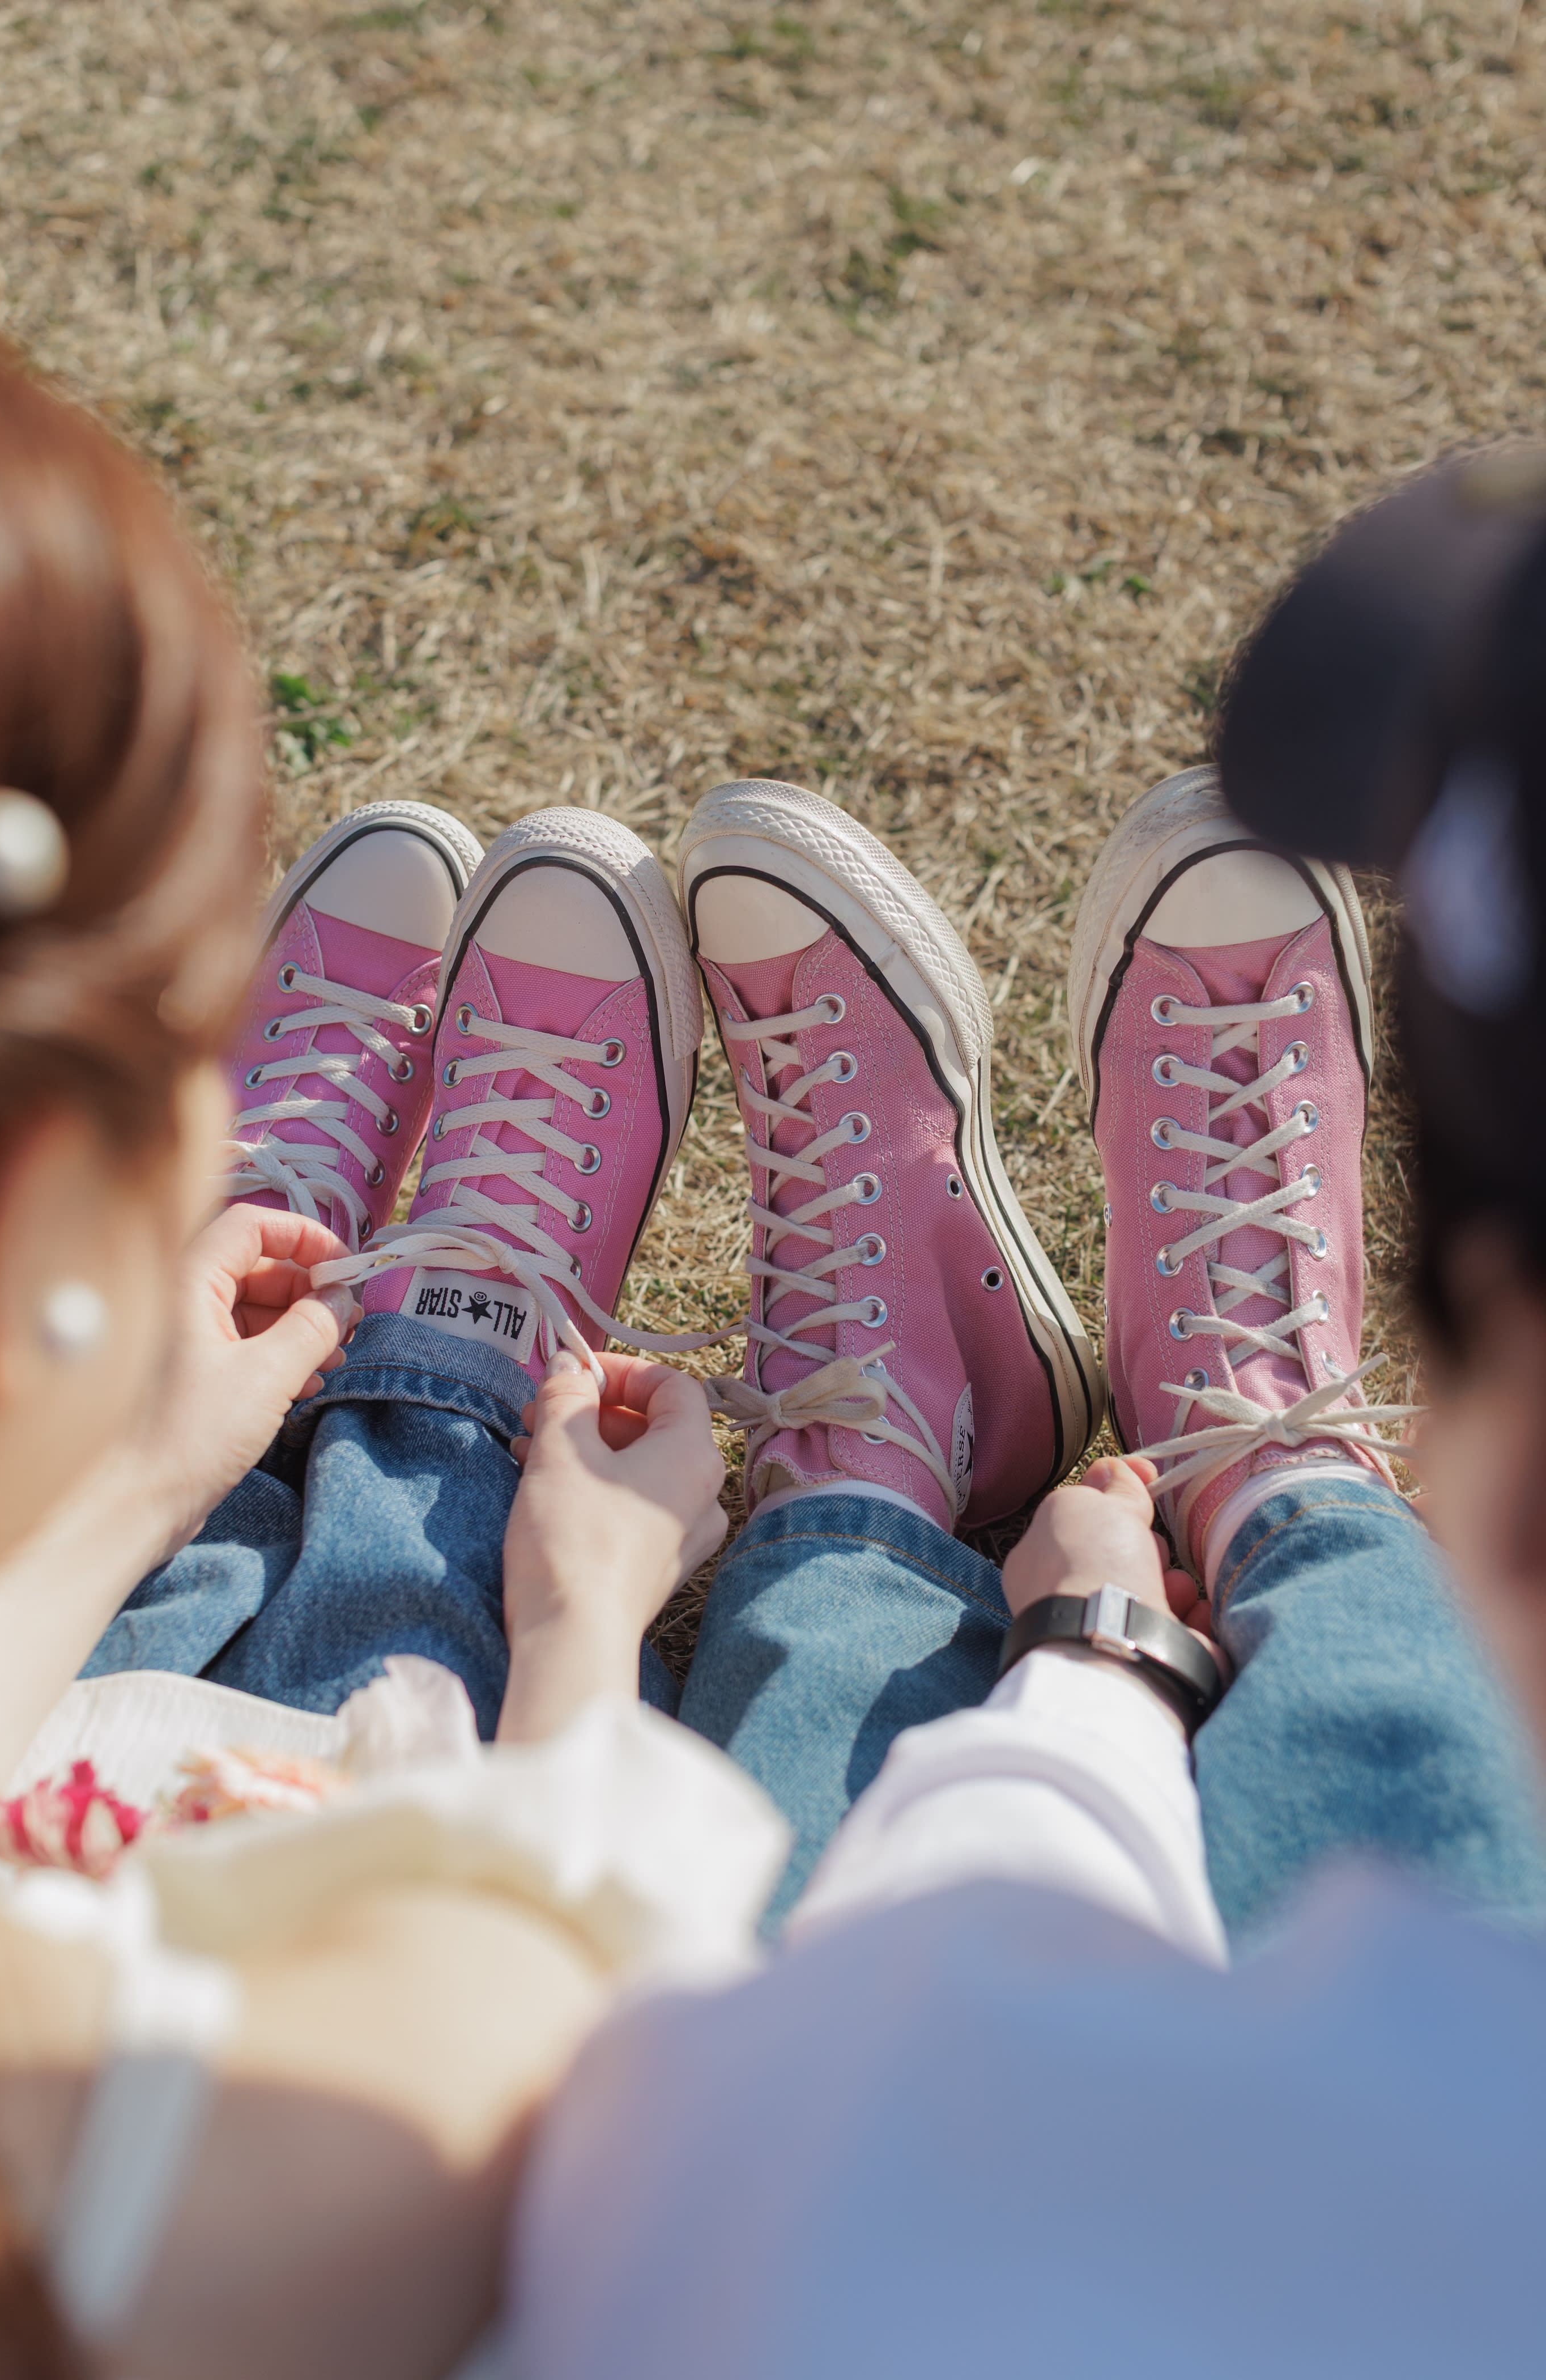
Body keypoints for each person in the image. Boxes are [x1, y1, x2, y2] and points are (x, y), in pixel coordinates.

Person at [493, 454, 1546, 2380]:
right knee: (1429, 1788)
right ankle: (1263, 1457)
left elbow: (937, 2014)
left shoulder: (767, 2219)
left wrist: (1090, 1652)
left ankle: (880, 1470)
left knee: (794, 1858)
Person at [0, 330, 784, 2380]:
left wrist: (134, 1475)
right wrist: (586, 1616)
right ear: (38, 1205)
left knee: (170, 1615)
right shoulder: (188, 2170)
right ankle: (451, 1418)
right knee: (382, 1690)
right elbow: (558, 1962)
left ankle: (328, 1441)